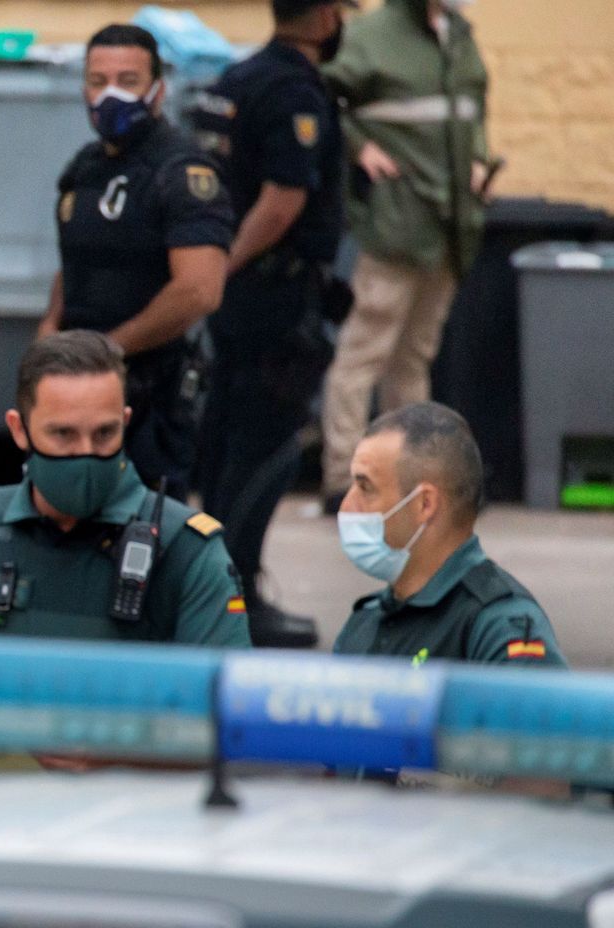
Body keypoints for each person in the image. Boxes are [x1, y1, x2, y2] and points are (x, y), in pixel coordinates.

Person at [0, 330, 250, 649]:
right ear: (20, 430)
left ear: (125, 424)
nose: (85, 452)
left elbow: (220, 702)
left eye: (103, 434)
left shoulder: (188, 553)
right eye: (63, 434)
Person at [192, 0, 353, 649]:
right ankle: (238, 599)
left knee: (228, 443)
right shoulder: (293, 91)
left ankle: (220, 588)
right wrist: (225, 266)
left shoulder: (237, 78)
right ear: (322, 18)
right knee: (268, 448)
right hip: (273, 296)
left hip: (240, 300)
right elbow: (282, 202)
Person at [37, 24, 234, 499]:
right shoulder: (83, 167)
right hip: (76, 389)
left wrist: (108, 351)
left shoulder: (183, 172)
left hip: (151, 397)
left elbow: (200, 290)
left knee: (147, 535)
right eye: (98, 80)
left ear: (158, 90)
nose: (110, 94)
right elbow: (76, 260)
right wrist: (48, 334)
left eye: (127, 81)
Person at [318, 0, 493, 509]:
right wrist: (357, 147)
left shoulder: (458, 36)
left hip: (450, 223)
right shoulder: (372, 35)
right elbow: (324, 96)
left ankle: (411, 477)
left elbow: (472, 110)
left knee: (413, 358)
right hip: (397, 222)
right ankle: (342, 477)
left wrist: (479, 160)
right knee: (363, 352)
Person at [333, 403, 564, 666]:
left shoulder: (500, 627)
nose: (346, 506)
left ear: (425, 504)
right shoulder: (364, 624)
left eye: (365, 488)